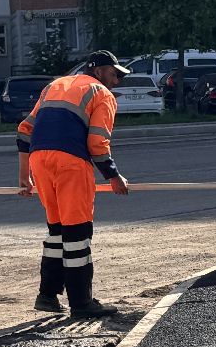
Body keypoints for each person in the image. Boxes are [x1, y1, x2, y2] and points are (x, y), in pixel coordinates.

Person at [16, 50, 131, 318]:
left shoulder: (54, 85)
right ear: (99, 71)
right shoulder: (102, 94)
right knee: (77, 233)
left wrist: (24, 176)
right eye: (115, 75)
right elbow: (97, 143)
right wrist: (114, 176)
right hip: (71, 162)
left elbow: (24, 131)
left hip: (39, 160)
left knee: (56, 230)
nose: (117, 81)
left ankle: (47, 296)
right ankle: (81, 303)